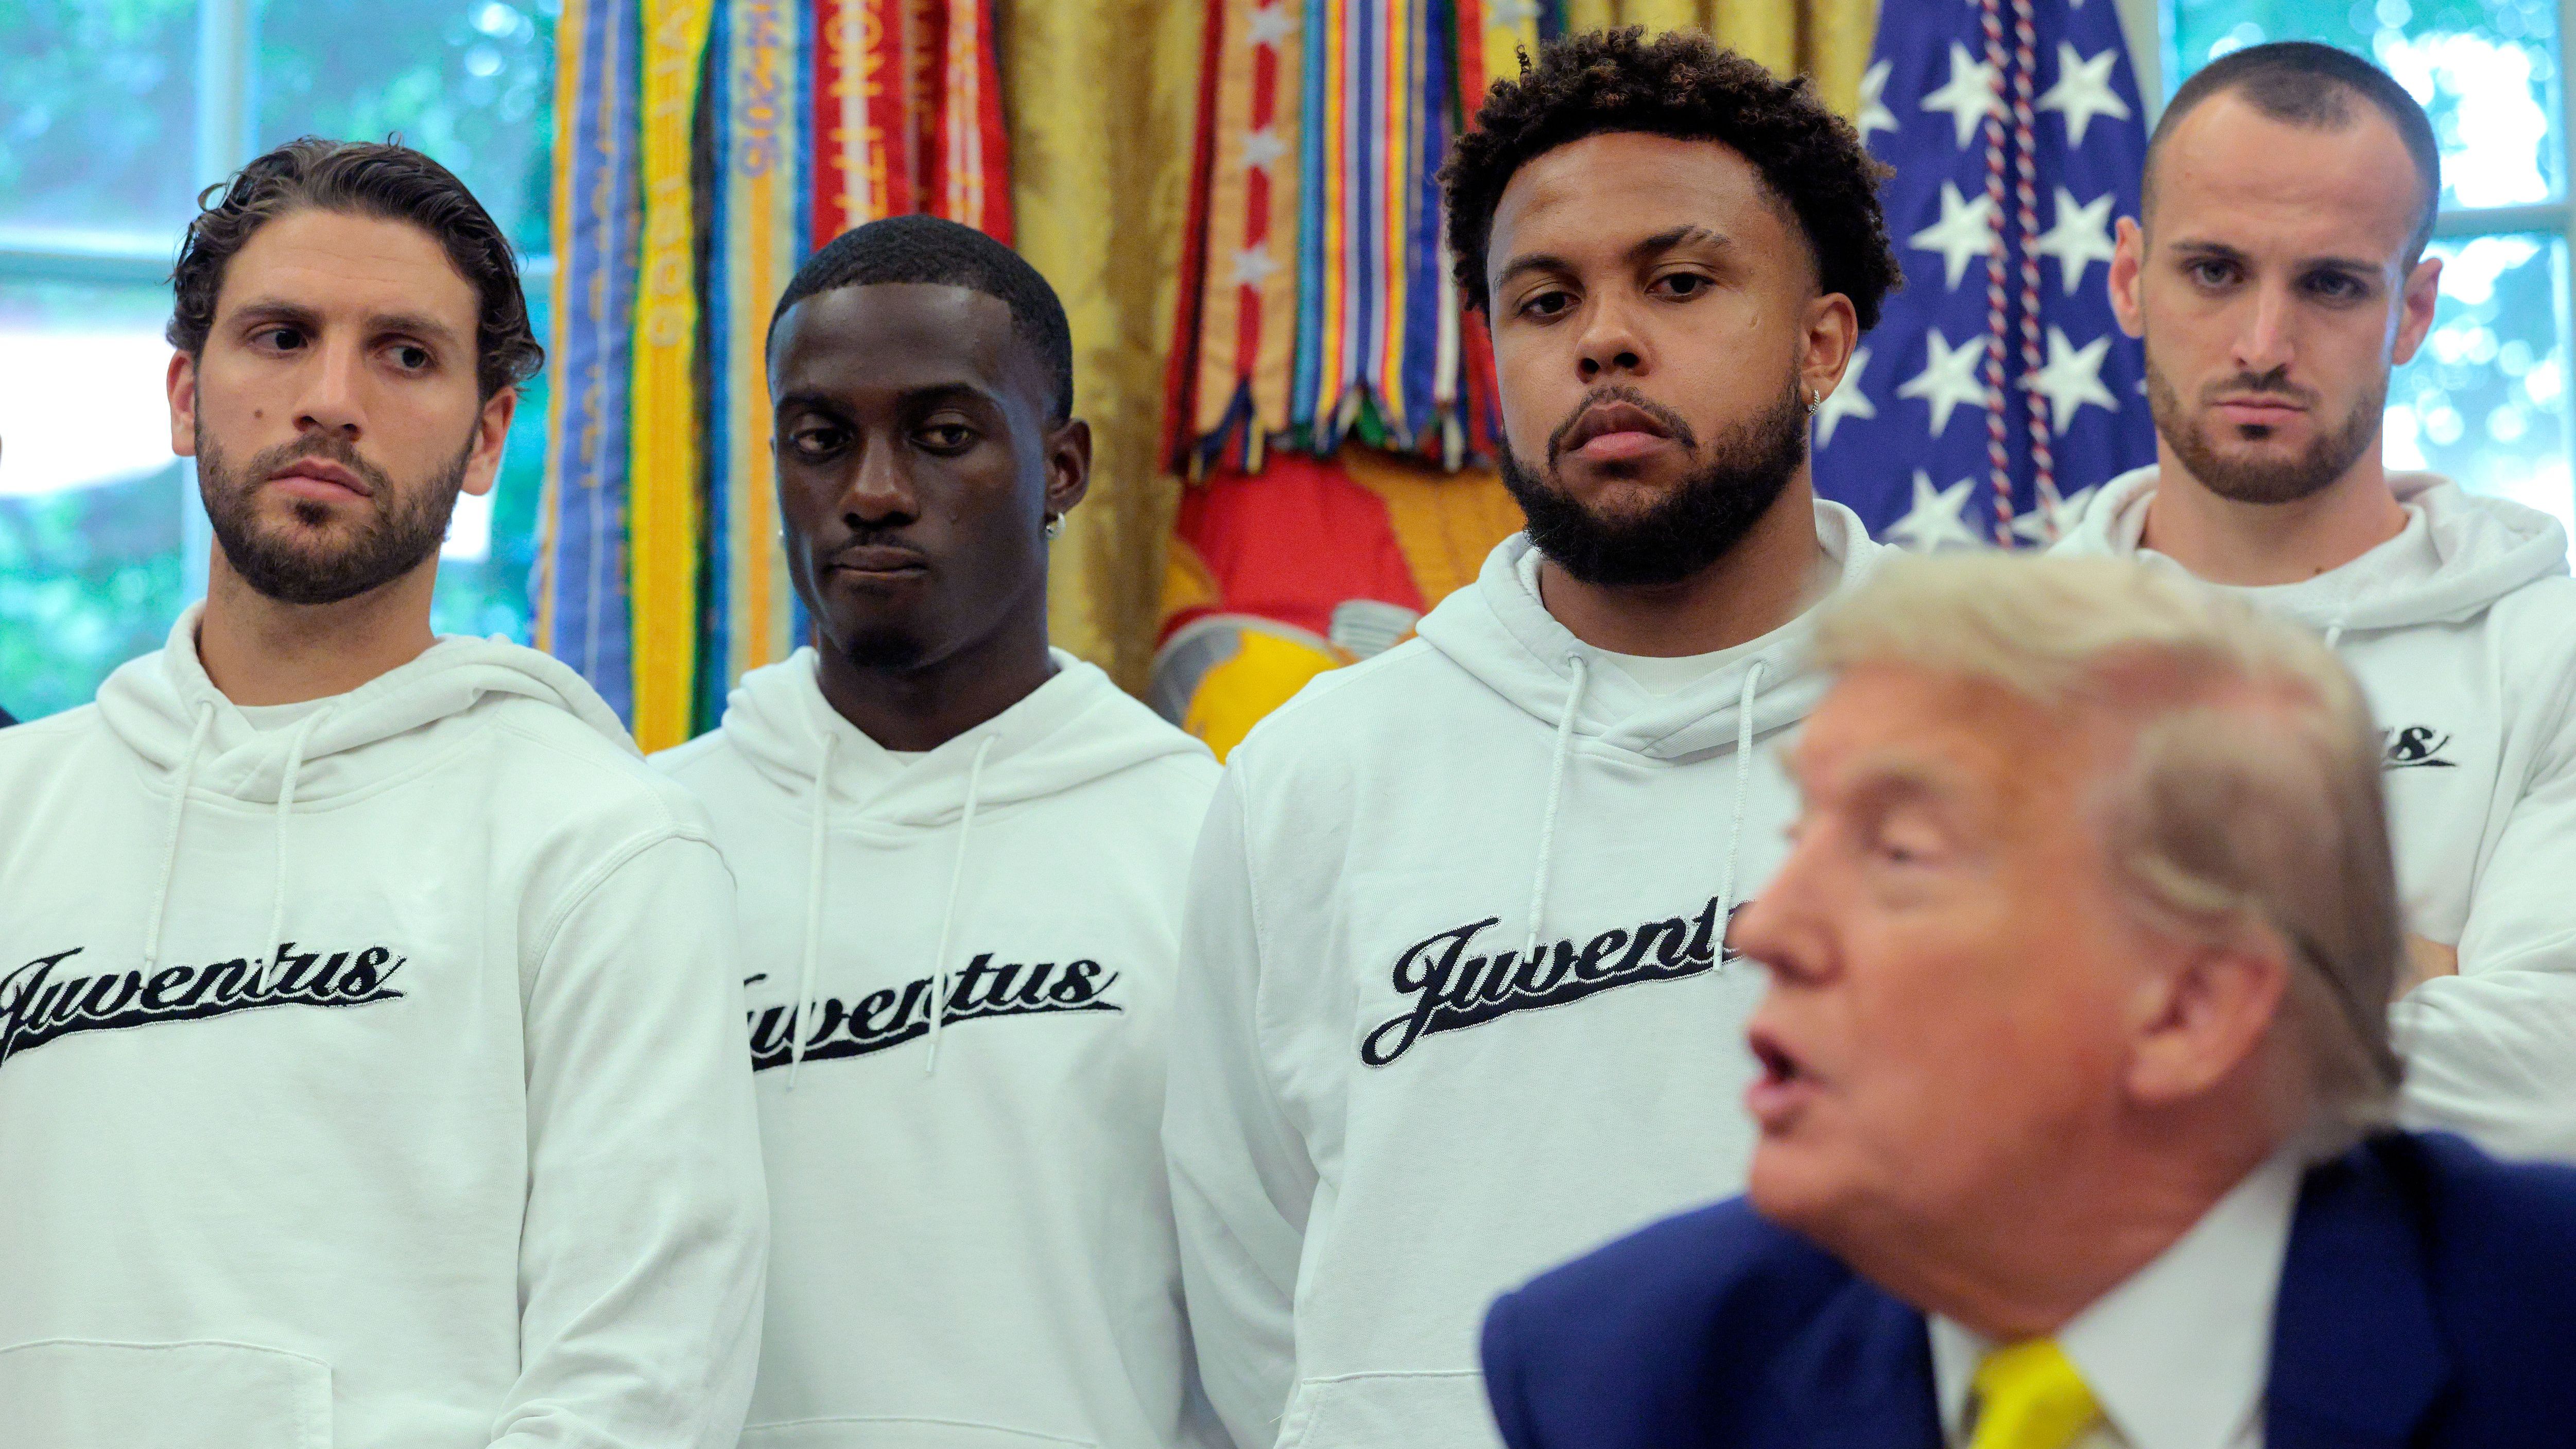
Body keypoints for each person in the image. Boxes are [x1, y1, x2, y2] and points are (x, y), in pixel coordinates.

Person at [1164, 29, 1901, 1449]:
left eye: (1678, 283)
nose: (1603, 337)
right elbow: (1253, 1287)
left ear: (1821, 343)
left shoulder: (2003, 739)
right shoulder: (1315, 776)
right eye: (1544, 297)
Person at [0, 140, 766, 1445]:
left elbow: (644, 1382)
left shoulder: (602, 845)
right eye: (281, 337)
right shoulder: (20, 812)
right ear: (186, 395)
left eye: (405, 354)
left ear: (486, 437)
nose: (331, 400)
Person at [1480, 554, 2576, 1449]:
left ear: (2190, 1010)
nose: (1762, 929)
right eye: (1799, 833)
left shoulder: (2542, 1334)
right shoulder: (1626, 1379)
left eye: (1898, 852)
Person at [654, 215, 1225, 1449]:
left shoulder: (1207, 837)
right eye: (820, 440)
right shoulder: (648, 845)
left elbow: (1276, 1297)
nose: (871, 492)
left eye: (943, 435)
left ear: (1061, 467)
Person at [2055, 41, 2576, 1160]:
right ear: (2129, 279)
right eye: (2214, 272)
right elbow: (1940, 1071)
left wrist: (2126, 1008)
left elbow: (2553, 1086)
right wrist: (2389, 968)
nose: (2262, 344)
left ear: (2415, 309)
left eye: (2331, 284)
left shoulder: (2550, 649)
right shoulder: (2004, 660)